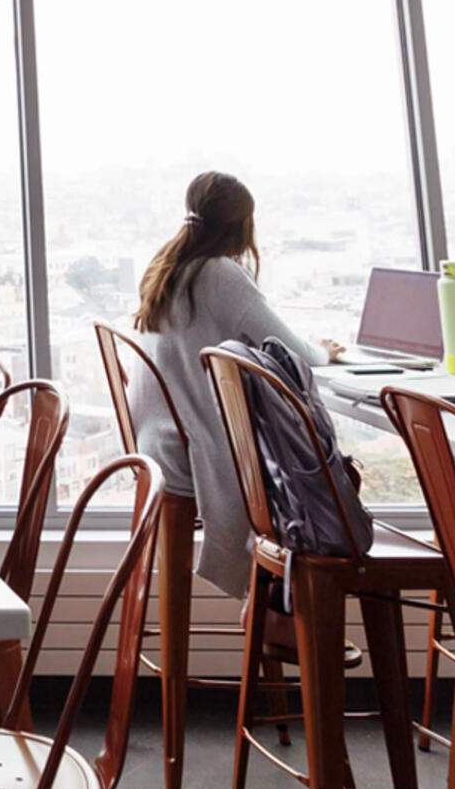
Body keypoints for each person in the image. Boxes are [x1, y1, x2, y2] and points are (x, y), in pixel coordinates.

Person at [131, 169, 340, 606]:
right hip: (191, 449)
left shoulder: (168, 268)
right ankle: (287, 619)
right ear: (243, 227)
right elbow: (289, 349)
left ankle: (275, 617)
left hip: (157, 443)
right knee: (314, 481)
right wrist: (324, 351)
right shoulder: (220, 274)